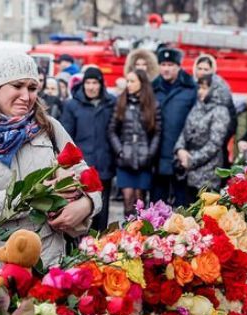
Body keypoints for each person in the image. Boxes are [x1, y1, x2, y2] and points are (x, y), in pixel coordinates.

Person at [0, 50, 101, 266]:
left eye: (32, 88)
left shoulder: (49, 128)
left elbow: (88, 180)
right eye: (17, 86)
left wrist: (86, 205)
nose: (26, 97)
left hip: (48, 262)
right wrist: (33, 195)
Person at [60, 67, 116, 229]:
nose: (91, 87)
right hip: (82, 168)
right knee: (82, 211)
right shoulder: (72, 105)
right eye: (88, 83)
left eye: (95, 83)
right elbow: (66, 137)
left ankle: (100, 245)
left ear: (101, 84)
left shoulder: (111, 103)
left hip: (104, 165)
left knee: (102, 211)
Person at [108, 69, 160, 216]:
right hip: (125, 159)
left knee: (140, 200)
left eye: (132, 81)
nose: (128, 84)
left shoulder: (153, 105)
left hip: (144, 160)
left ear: (142, 83)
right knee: (128, 200)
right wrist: (120, 151)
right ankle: (128, 234)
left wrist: (150, 154)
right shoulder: (121, 102)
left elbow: (157, 132)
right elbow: (112, 130)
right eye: (127, 81)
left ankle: (141, 235)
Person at [151, 47, 197, 206]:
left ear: (178, 66)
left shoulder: (191, 89)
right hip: (157, 157)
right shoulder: (152, 88)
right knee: (156, 206)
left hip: (181, 156)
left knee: (182, 206)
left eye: (170, 65)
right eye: (163, 64)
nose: (166, 68)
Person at [175, 73, 231, 200]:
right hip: (188, 170)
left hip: (207, 173)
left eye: (205, 88)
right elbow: (185, 131)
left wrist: (191, 160)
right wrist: (180, 150)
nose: (200, 91)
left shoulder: (220, 111)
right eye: (199, 87)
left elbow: (215, 144)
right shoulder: (198, 106)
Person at [192, 53, 237, 165]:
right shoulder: (191, 86)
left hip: (216, 141)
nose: (202, 72)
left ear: (212, 71)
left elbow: (230, 118)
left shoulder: (222, 90)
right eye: (200, 68)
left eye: (206, 69)